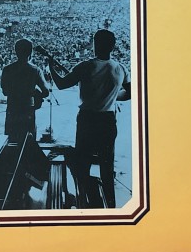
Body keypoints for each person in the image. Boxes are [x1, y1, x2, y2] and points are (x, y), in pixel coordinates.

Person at [47, 29, 130, 208]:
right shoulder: (121, 68)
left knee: (82, 164)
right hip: (108, 120)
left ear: (95, 44)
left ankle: (83, 202)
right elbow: (129, 93)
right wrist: (112, 96)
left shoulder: (85, 66)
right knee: (107, 166)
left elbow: (61, 84)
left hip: (87, 120)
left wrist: (51, 67)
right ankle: (111, 206)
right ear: (113, 46)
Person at [1, 38, 49, 143]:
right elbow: (46, 92)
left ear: (16, 51)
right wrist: (34, 92)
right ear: (30, 52)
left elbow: (5, 92)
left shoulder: (7, 69)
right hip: (28, 110)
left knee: (12, 141)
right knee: (28, 142)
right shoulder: (35, 70)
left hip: (12, 109)